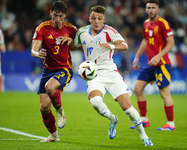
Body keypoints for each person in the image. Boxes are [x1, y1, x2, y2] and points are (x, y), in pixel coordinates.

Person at [74, 5, 153, 146]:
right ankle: (112, 119)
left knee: (127, 108)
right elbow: (75, 45)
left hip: (110, 73)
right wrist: (69, 41)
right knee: (96, 102)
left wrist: (111, 46)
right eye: (93, 18)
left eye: (99, 19)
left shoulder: (110, 31)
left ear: (104, 19)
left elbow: (125, 46)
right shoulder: (82, 32)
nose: (96, 21)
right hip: (93, 74)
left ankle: (143, 135)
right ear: (89, 18)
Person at [31, 1, 77, 142]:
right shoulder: (43, 28)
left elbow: (75, 48)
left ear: (65, 15)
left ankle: (60, 111)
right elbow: (34, 48)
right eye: (55, 15)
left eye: (60, 16)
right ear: (51, 13)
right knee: (44, 108)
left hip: (64, 69)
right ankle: (54, 135)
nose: (57, 19)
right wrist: (36, 53)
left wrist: (70, 40)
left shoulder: (71, 29)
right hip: (47, 70)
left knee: (49, 87)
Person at [130, 0, 175, 131]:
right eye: (148, 7)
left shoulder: (163, 24)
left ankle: (170, 124)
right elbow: (145, 41)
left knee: (164, 93)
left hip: (162, 63)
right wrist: (137, 57)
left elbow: (171, 43)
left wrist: (158, 56)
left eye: (153, 8)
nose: (151, 10)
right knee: (138, 89)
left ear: (158, 9)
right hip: (151, 63)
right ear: (145, 9)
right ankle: (144, 120)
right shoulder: (145, 24)